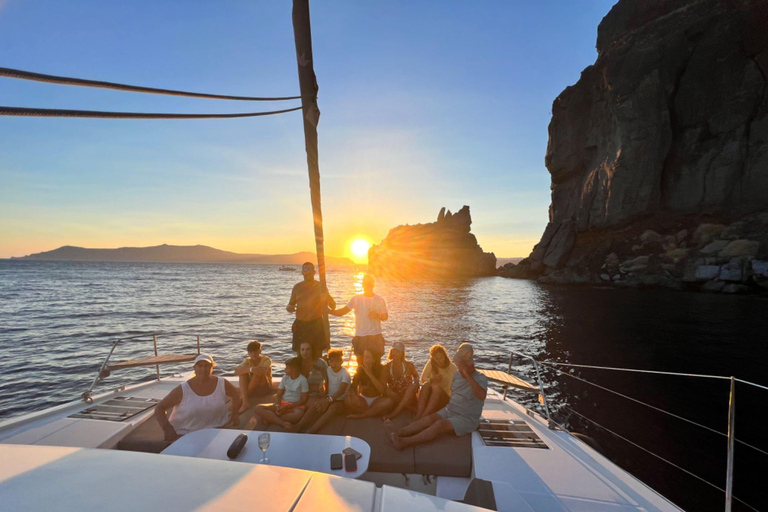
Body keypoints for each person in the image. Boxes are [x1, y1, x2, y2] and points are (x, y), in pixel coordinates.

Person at [387, 343, 487, 450]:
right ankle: (399, 432)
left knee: (440, 424)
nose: (459, 368)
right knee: (431, 418)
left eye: (462, 366)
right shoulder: (457, 375)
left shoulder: (481, 378)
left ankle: (404, 442)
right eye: (459, 365)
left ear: (471, 365)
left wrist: (467, 375)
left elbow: (481, 396)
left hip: (466, 417)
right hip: (451, 409)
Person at [155, 353, 241, 442]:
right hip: (185, 434)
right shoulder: (183, 389)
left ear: (212, 368)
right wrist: (167, 429)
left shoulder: (222, 383)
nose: (203, 369)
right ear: (194, 368)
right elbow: (159, 408)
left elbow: (236, 394)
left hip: (216, 431)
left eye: (207, 365)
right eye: (200, 366)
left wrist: (235, 414)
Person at [329, 274, 388, 361]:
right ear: (363, 284)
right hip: (361, 336)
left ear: (373, 285)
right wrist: (328, 311)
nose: (368, 285)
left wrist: (378, 316)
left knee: (376, 364)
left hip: (375, 336)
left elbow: (385, 316)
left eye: (370, 283)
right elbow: (342, 312)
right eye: (366, 283)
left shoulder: (379, 300)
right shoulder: (356, 299)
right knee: (361, 365)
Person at [287, 262, 336, 359]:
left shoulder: (320, 286)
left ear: (314, 272)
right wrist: (289, 307)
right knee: (300, 354)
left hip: (316, 324)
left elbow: (333, 305)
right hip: (300, 324)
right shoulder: (297, 287)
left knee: (317, 354)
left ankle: (317, 373)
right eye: (305, 269)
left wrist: (326, 300)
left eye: (310, 269)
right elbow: (290, 305)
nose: (308, 272)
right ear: (302, 272)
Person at [253, 357, 308, 430]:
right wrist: (277, 406)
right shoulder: (285, 378)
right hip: (283, 403)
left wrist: (289, 406)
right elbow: (279, 394)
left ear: (294, 369)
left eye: (287, 368)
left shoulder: (302, 380)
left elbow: (303, 399)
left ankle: (271, 419)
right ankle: (282, 423)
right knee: (258, 408)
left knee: (298, 415)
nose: (285, 370)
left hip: (295, 405)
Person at [304, 348, 351, 434]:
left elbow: (342, 390)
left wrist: (328, 401)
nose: (334, 363)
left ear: (342, 361)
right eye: (332, 361)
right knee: (316, 404)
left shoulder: (345, 373)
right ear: (329, 362)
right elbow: (326, 382)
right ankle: (298, 425)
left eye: (337, 361)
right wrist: (323, 391)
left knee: (332, 408)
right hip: (329, 397)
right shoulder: (328, 369)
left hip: (341, 401)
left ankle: (312, 430)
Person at [344, 349, 393, 419]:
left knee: (389, 402)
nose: (364, 359)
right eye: (364, 357)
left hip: (377, 400)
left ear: (374, 359)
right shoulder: (360, 369)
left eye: (367, 357)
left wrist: (369, 373)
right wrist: (353, 395)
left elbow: (382, 391)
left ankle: (362, 415)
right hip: (363, 399)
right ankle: (373, 413)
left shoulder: (382, 369)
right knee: (347, 400)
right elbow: (352, 387)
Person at [414, 344, 457, 420]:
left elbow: (459, 384)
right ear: (433, 358)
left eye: (441, 357)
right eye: (437, 358)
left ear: (445, 356)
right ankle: (419, 414)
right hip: (431, 396)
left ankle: (423, 416)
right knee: (426, 385)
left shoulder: (452, 367)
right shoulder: (431, 364)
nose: (439, 360)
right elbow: (423, 378)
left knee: (436, 387)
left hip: (445, 397)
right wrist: (431, 379)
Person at [382, 342, 420, 421]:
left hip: (408, 395)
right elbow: (383, 384)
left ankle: (394, 414)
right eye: (394, 351)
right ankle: (407, 407)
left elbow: (416, 376)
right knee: (389, 393)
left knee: (412, 386)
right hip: (395, 396)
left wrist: (416, 382)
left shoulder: (409, 365)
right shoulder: (386, 367)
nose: (395, 353)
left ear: (402, 353)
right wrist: (389, 392)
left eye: (398, 351)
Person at [233, 340, 273, 413]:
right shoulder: (248, 360)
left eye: (255, 351)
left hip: (264, 388)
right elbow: (236, 372)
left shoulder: (266, 359)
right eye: (251, 352)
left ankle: (243, 398)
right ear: (248, 353)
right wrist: (251, 369)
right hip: (253, 389)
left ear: (260, 351)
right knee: (242, 373)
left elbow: (262, 371)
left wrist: (251, 370)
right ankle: (245, 402)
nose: (253, 354)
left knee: (257, 374)